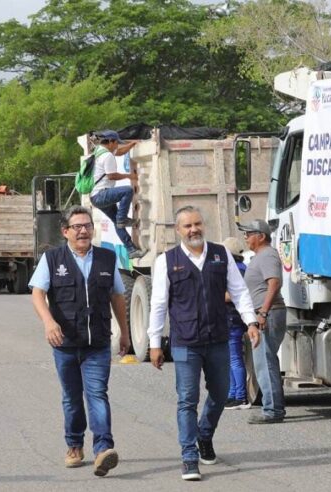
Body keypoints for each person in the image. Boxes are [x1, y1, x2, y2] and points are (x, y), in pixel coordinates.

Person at [148, 206, 261, 481]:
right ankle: (189, 456)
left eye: (197, 224)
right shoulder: (167, 260)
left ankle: (204, 435)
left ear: (204, 225)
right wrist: (154, 342)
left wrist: (251, 322)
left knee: (222, 393)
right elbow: (159, 303)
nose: (193, 230)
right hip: (185, 342)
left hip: (217, 339)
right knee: (187, 399)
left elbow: (239, 291)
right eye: (187, 226)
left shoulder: (221, 256)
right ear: (178, 230)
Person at [29, 205, 131, 477]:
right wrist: (49, 322)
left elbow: (117, 297)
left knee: (97, 393)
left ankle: (103, 449)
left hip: (97, 342)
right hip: (65, 343)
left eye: (87, 225)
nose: (83, 230)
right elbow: (38, 293)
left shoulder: (107, 259)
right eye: (77, 226)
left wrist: (125, 331)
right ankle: (74, 445)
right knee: (72, 399)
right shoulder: (52, 259)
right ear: (66, 232)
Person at [238, 219, 288, 424]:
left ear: (261, 236)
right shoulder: (259, 256)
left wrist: (263, 313)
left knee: (264, 363)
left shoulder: (267, 255)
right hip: (265, 313)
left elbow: (274, 283)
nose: (246, 237)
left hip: (269, 314)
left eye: (249, 233)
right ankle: (274, 407)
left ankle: (272, 410)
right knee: (266, 362)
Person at [88, 130, 145, 259]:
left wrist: (132, 144)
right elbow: (111, 175)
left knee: (116, 222)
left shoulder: (99, 150)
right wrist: (130, 176)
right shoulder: (106, 155)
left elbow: (119, 152)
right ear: (111, 142)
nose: (117, 146)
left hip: (95, 197)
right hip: (101, 195)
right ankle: (122, 219)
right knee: (127, 190)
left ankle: (131, 250)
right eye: (116, 143)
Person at [221, 236, 251, 410]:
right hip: (230, 318)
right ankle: (232, 394)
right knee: (229, 359)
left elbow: (233, 295)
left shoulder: (237, 270)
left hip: (232, 318)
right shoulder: (240, 268)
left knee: (234, 359)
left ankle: (240, 396)